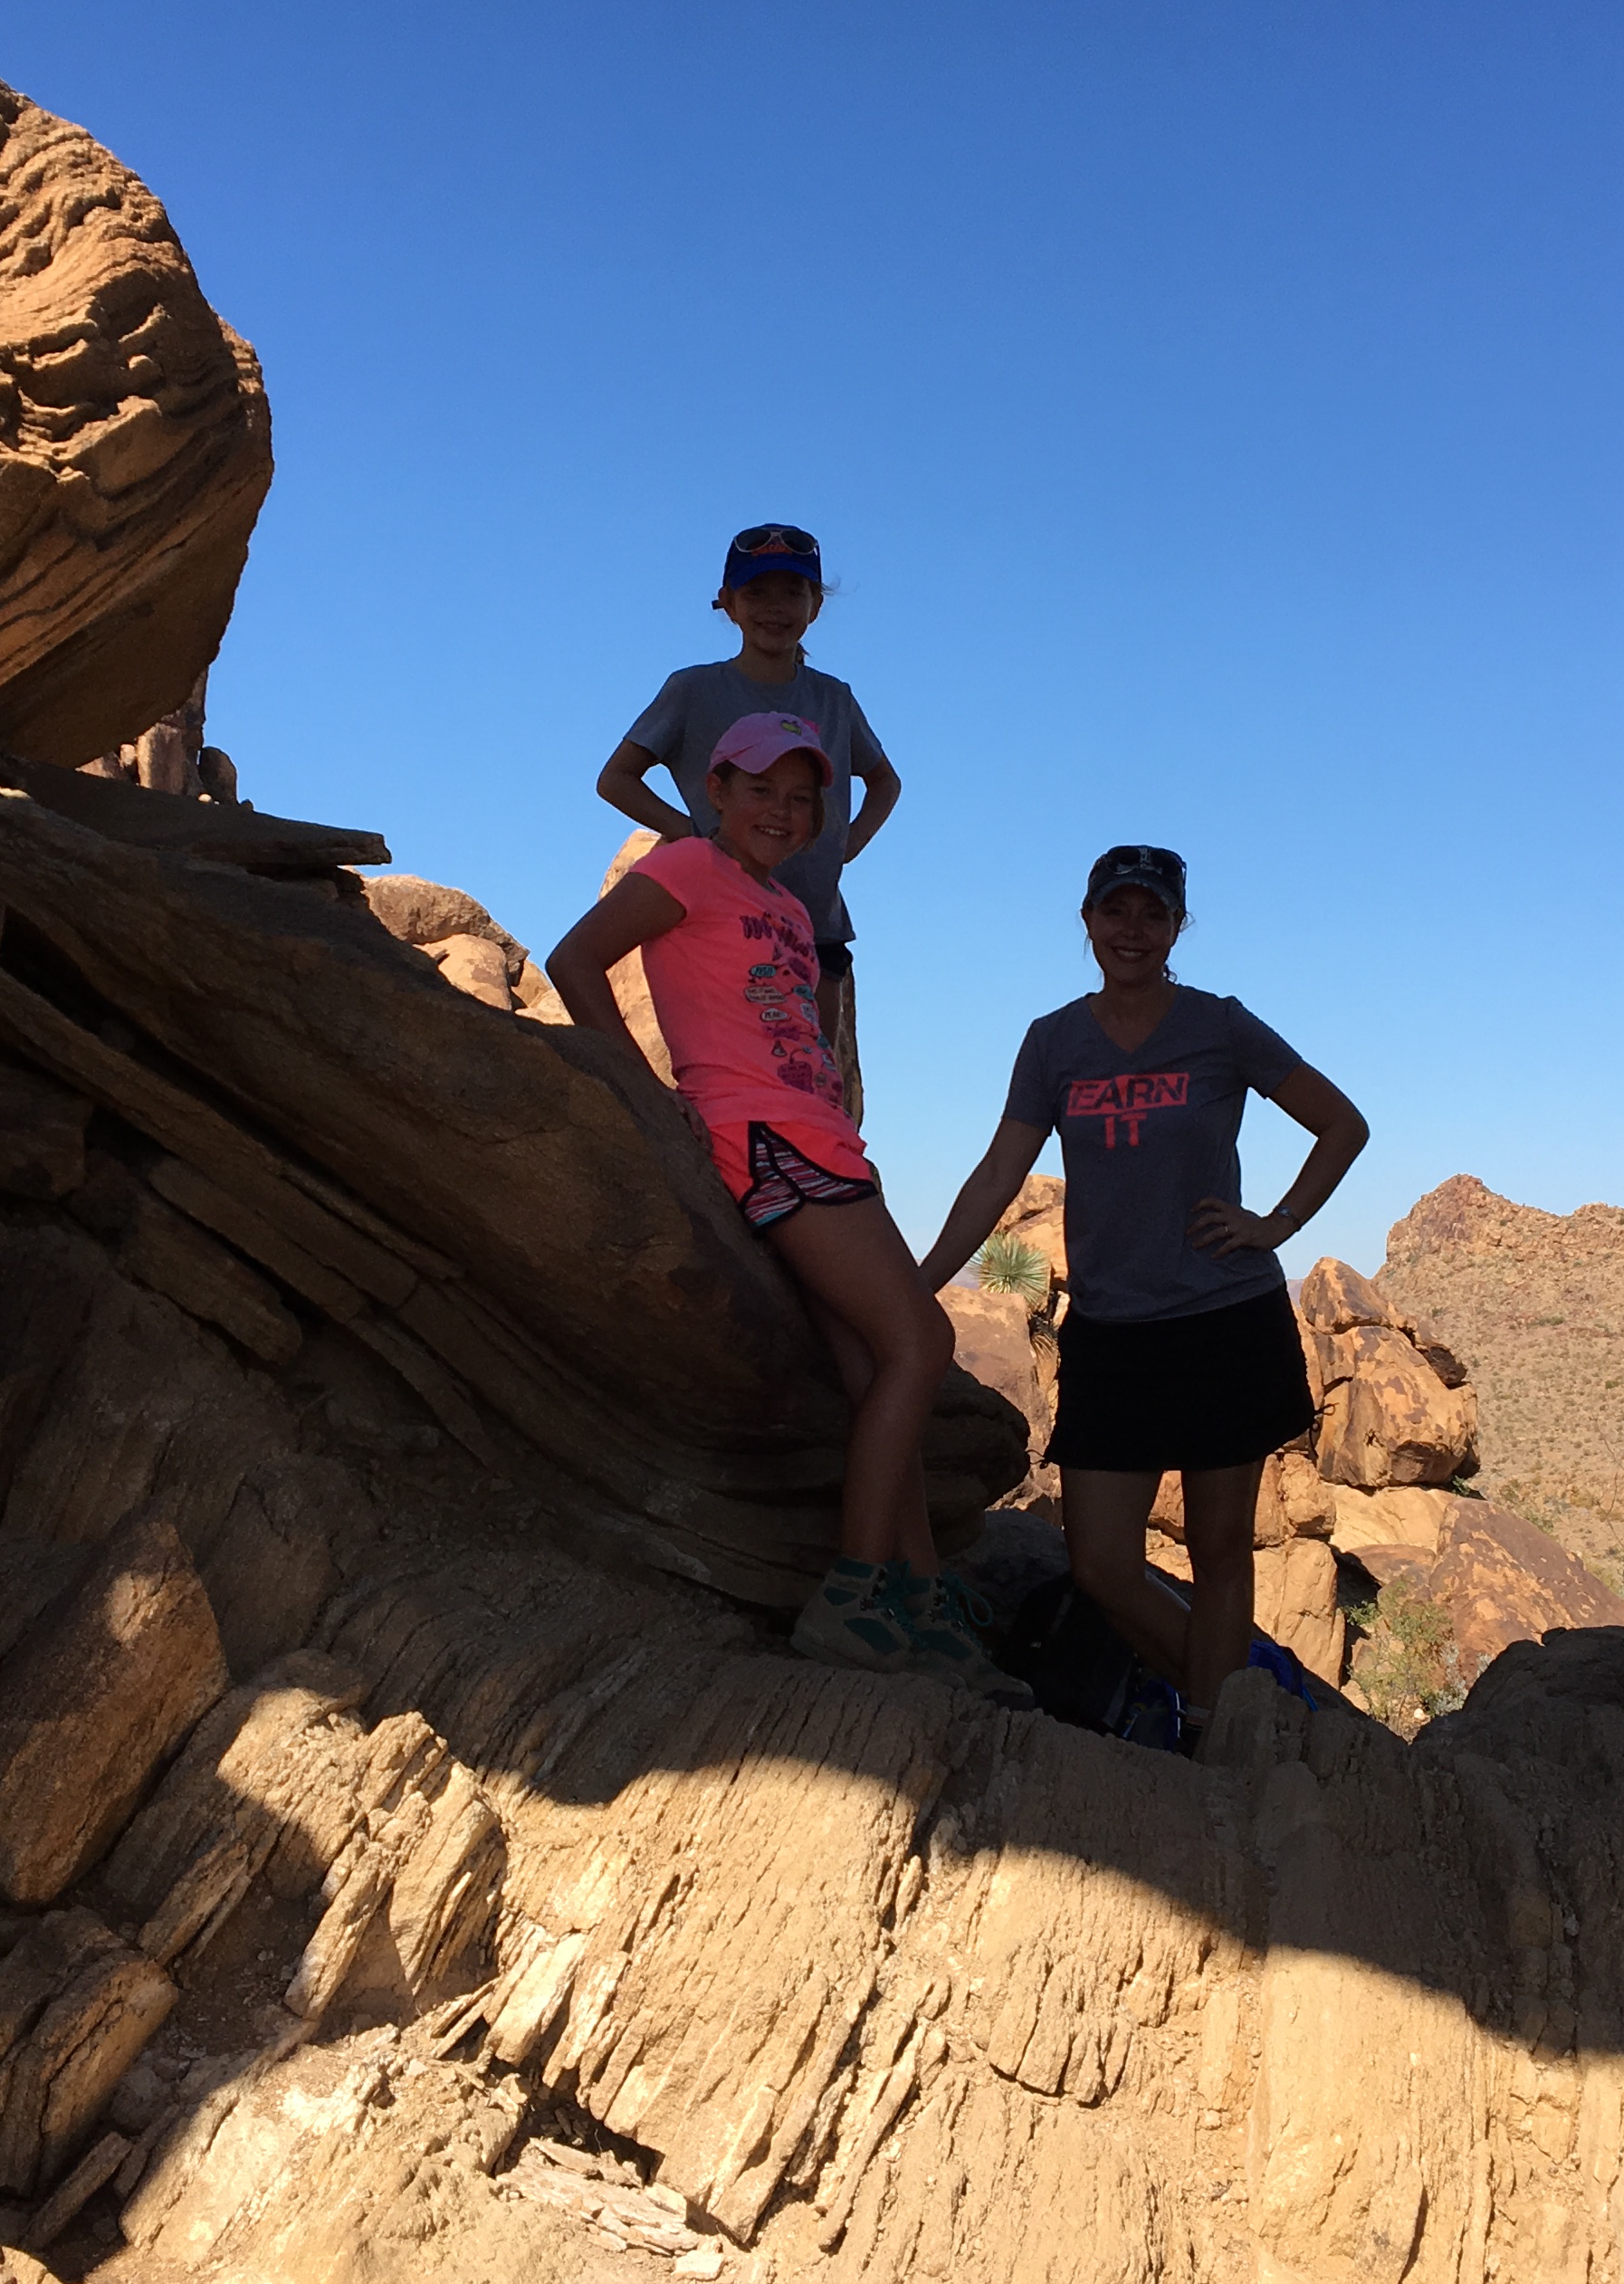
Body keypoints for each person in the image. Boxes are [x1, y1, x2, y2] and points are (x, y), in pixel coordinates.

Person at [548, 710, 1029, 1707]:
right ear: (715, 789)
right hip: (766, 1138)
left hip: (821, 1139)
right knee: (920, 1345)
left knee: (874, 1369)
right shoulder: (686, 866)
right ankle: (854, 1596)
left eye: (802, 798)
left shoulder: (788, 909)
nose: (782, 810)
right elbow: (575, 961)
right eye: (761, 788)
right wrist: (649, 1096)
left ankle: (919, 1604)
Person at [918, 846, 1370, 1715]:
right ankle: (1236, 1708)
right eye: (1116, 910)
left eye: (1153, 913)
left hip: (1223, 1319)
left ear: (1177, 927)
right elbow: (999, 1171)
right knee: (1102, 1565)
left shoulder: (1219, 1026)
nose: (1132, 929)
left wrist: (1276, 1224)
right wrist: (922, 1279)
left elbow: (1342, 1125)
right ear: (1087, 920)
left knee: (1220, 1551)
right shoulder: (1054, 1041)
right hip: (1112, 1333)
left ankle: (1212, 1734)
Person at [597, 523, 898, 1104]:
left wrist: (847, 843)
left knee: (812, 1086)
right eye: (757, 593)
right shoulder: (693, 690)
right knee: (733, 1083)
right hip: (724, 926)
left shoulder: (833, 698)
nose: (775, 608)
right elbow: (616, 779)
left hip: (817, 923)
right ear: (729, 604)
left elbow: (885, 780)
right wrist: (693, 836)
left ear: (815, 607)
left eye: (792, 593)